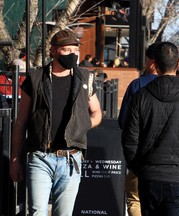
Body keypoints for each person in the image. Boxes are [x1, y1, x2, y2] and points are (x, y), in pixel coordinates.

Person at [9, 29, 102, 215]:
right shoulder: (35, 79)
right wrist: (15, 160)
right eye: (67, 50)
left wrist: (84, 124)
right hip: (40, 157)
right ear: (53, 51)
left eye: (75, 50)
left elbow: (97, 112)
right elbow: (21, 122)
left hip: (71, 159)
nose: (72, 55)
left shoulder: (84, 77)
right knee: (37, 212)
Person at [122, 42, 179, 216]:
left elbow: (130, 138)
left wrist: (138, 168)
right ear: (178, 64)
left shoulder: (141, 96)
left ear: (155, 63)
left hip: (149, 175)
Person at [118, 43, 158, 216]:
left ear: (151, 62)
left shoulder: (137, 85)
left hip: (139, 155)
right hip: (169, 161)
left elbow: (123, 121)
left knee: (135, 199)